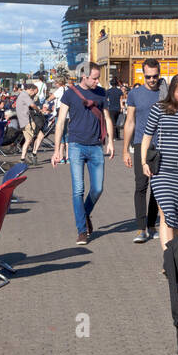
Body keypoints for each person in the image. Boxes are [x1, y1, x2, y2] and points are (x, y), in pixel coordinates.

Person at [51, 63, 114, 245]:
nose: (97, 81)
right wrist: (57, 151)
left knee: (97, 189)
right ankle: (82, 230)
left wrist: (110, 141)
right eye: (94, 78)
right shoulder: (70, 93)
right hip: (76, 145)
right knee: (78, 190)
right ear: (84, 77)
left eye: (98, 77)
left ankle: (84, 215)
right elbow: (61, 122)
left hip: (96, 146)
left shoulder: (101, 93)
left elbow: (107, 117)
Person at [140, 74, 178, 249]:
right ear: (172, 91)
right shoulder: (159, 108)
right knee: (166, 214)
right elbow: (147, 135)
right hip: (163, 170)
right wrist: (144, 162)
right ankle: (168, 257)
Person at [123, 59, 164, 242]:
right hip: (141, 144)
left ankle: (151, 225)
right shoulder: (135, 94)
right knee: (141, 185)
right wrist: (125, 149)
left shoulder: (166, 92)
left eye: (155, 76)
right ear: (143, 74)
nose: (152, 80)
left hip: (162, 144)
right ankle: (141, 228)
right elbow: (130, 121)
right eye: (148, 77)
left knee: (158, 187)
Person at [15, 82, 40, 164]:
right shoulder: (25, 95)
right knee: (30, 139)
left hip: (22, 120)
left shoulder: (21, 94)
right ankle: (24, 158)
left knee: (28, 139)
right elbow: (32, 105)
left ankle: (23, 158)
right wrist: (38, 110)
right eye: (33, 92)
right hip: (26, 120)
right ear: (30, 90)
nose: (33, 94)